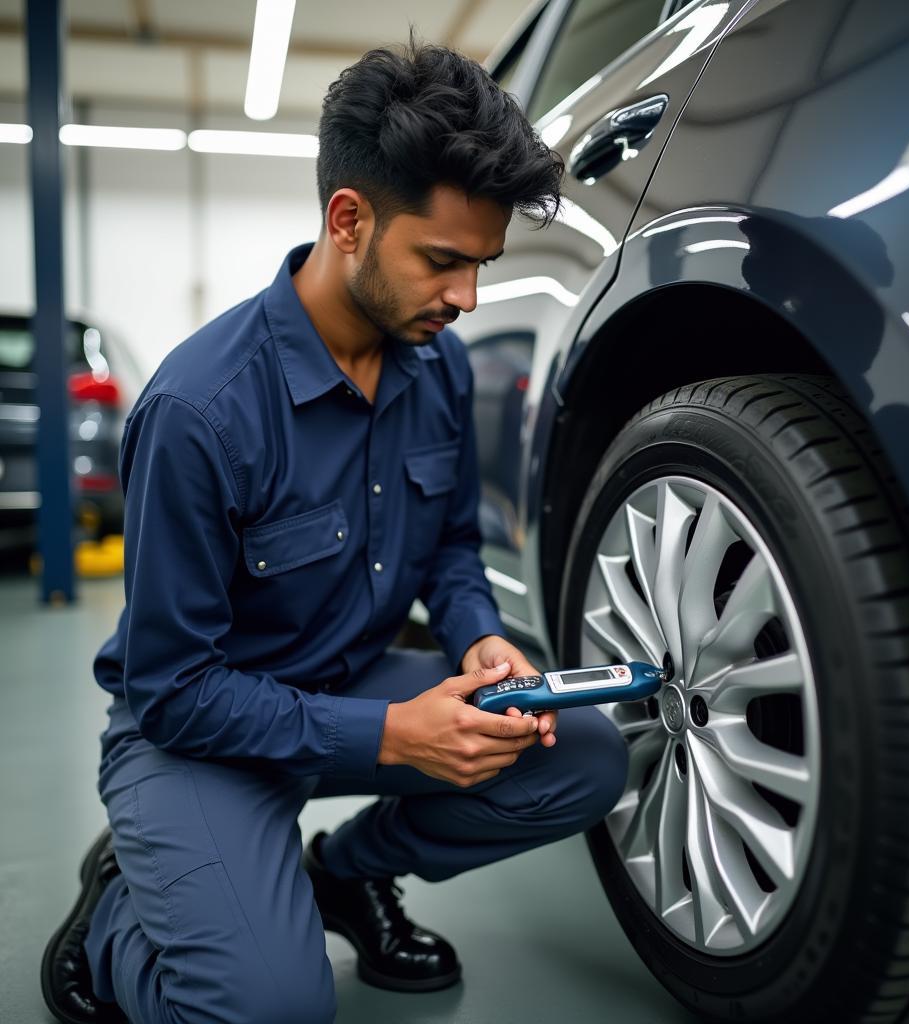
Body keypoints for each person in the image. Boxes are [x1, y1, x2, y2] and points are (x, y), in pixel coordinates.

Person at [40, 39, 628, 1024]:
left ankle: (342, 874)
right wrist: (396, 730)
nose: (466, 299)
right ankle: (115, 929)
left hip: (349, 685)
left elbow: (447, 546)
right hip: (200, 737)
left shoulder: (431, 364)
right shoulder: (201, 409)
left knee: (583, 755)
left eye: (480, 265)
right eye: (442, 261)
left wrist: (475, 630)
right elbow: (172, 689)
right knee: (268, 1010)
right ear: (347, 220)